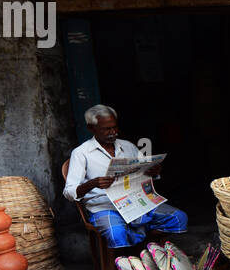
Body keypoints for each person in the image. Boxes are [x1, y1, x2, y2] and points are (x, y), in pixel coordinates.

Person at [63, 104, 188, 248]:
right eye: (107, 129)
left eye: (115, 127)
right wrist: (92, 183)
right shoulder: (81, 153)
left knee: (179, 218)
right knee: (117, 233)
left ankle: (143, 244)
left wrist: (152, 172)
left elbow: (144, 175)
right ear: (91, 128)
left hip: (137, 203)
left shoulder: (128, 146)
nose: (113, 132)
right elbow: (69, 192)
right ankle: (131, 253)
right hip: (105, 207)